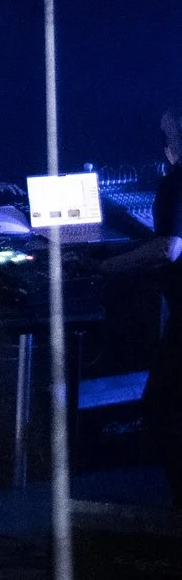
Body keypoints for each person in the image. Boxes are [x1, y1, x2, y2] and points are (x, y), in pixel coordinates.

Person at [101, 110, 182, 504]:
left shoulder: (175, 183)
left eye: (168, 134)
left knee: (160, 407)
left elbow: (167, 247)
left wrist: (105, 267)